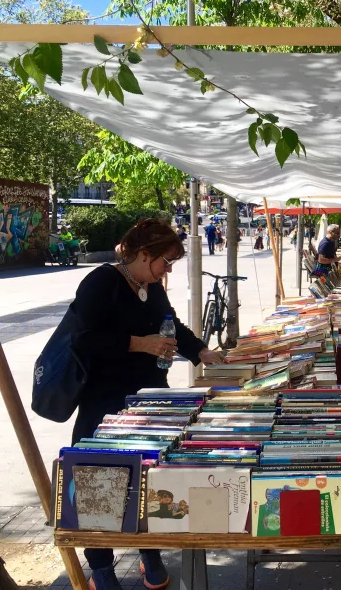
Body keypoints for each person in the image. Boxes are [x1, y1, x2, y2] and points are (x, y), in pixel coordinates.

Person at [68, 219, 223, 590]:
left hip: (151, 400)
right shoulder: (102, 282)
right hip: (104, 402)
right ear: (143, 254)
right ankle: (102, 569)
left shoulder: (149, 286)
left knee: (149, 476)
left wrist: (200, 351)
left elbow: (172, 325)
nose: (168, 270)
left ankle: (149, 552)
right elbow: (83, 340)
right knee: (99, 486)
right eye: (165, 261)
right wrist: (139, 343)